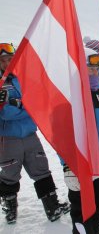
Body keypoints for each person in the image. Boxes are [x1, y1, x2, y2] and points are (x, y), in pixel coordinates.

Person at [0, 43, 70, 224]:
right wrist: (25, 107)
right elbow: (6, 113)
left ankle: (52, 207)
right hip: (8, 138)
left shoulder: (21, 79)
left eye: (10, 59)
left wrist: (20, 105)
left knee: (41, 170)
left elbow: (36, 103)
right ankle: (10, 209)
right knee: (10, 174)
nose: (7, 63)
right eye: (4, 60)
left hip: (30, 135)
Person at [63, 47, 99, 234]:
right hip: (80, 163)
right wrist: (66, 166)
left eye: (97, 69)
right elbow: (62, 135)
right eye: (90, 69)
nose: (95, 73)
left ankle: (95, 230)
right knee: (81, 209)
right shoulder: (70, 98)